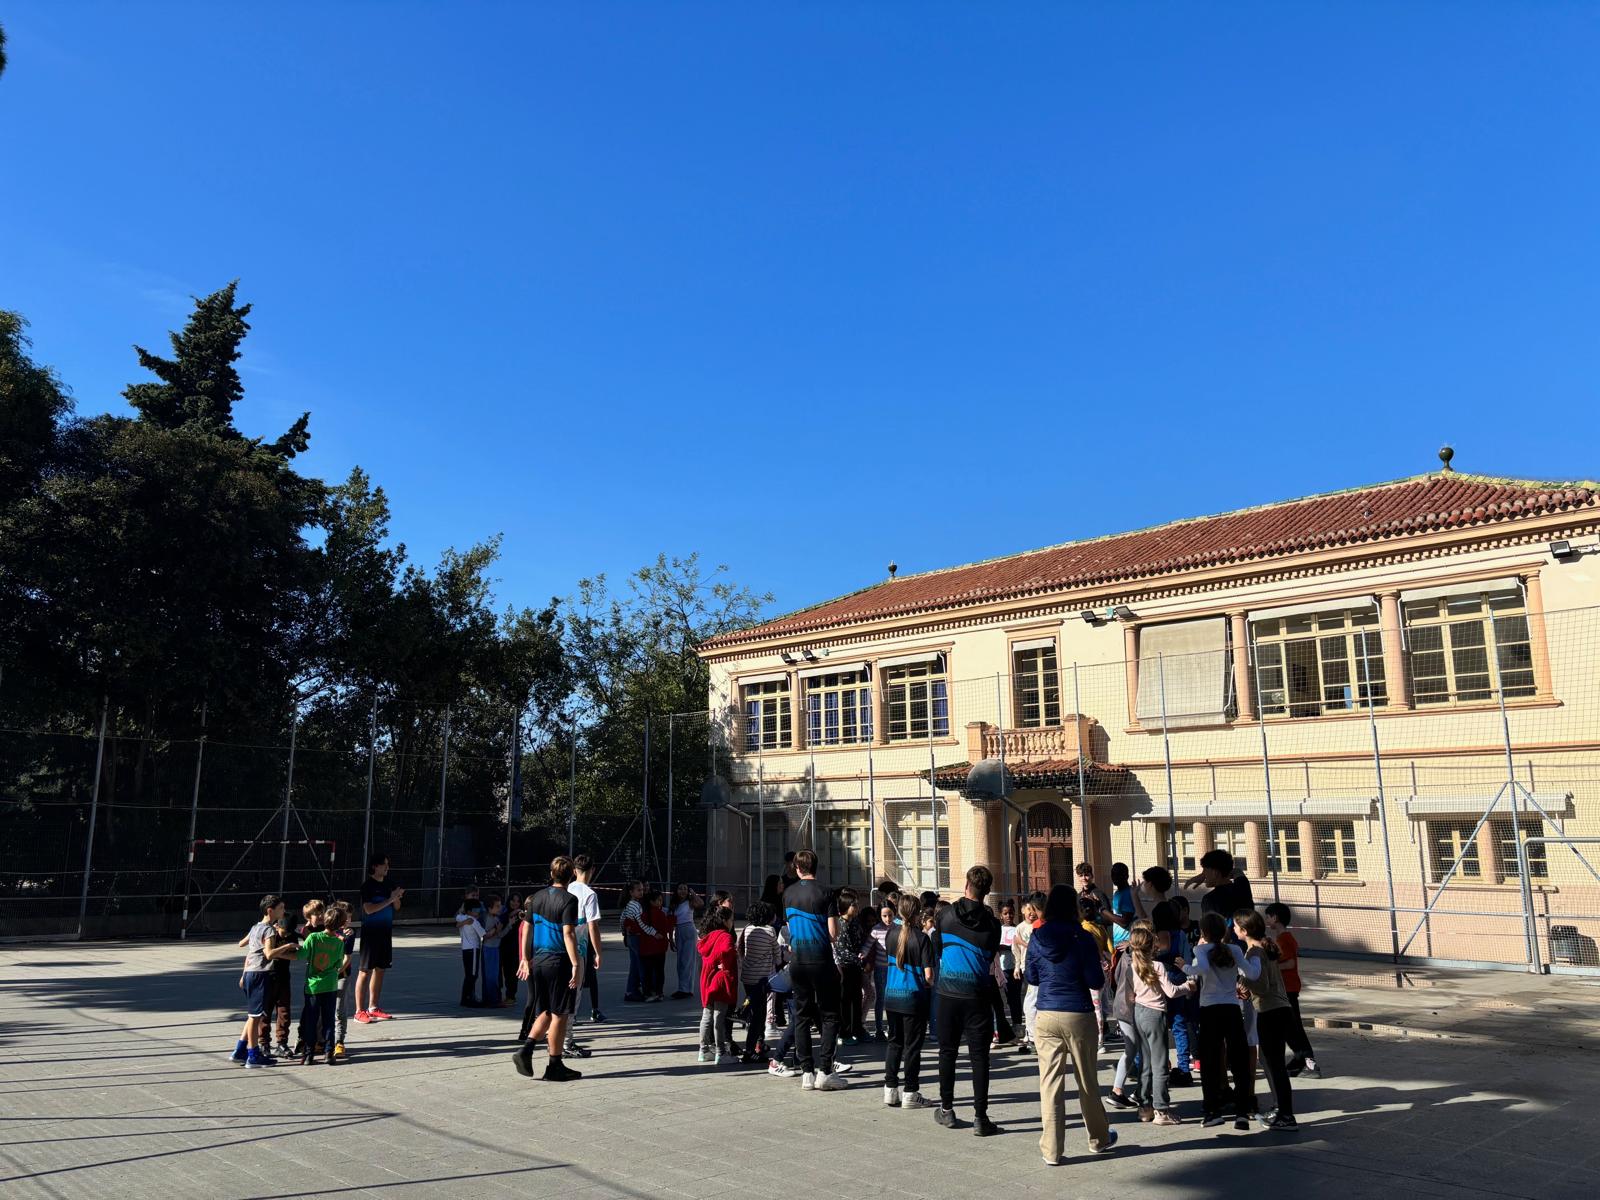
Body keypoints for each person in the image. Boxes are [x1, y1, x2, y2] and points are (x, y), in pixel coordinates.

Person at [1026, 884, 1115, 1163]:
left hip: (1046, 1012)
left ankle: (1052, 1150)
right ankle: (1098, 1138)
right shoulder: (1083, 936)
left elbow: (1031, 976)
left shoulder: (1037, 936)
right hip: (1078, 1011)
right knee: (1087, 1080)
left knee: (1050, 1084)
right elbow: (1095, 981)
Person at [932, 864, 1002, 1136]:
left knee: (947, 1052)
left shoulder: (945, 915)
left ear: (966, 885)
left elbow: (938, 948)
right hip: (977, 994)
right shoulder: (992, 925)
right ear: (987, 891)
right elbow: (989, 956)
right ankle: (980, 1117)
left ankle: (947, 1109)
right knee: (979, 1057)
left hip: (947, 993)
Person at [512, 856, 583, 1083]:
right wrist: (576, 964)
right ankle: (554, 1065)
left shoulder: (537, 897)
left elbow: (527, 928)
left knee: (546, 1011)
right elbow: (568, 933)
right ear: (572, 875)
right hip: (559, 962)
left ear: (551, 873)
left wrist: (525, 958)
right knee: (560, 1014)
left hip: (539, 962)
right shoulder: (569, 899)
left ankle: (526, 1049)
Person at [1186, 910, 1260, 1129]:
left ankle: (1212, 1111)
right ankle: (1242, 1111)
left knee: (1209, 1061)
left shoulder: (1200, 949)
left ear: (1204, 932)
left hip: (1210, 1009)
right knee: (1239, 1060)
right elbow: (1252, 974)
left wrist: (1184, 966)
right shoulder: (1234, 949)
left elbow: (1201, 969)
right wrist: (1257, 959)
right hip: (1231, 1008)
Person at [784, 848, 847, 1091]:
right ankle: (825, 1071)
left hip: (797, 961)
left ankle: (806, 1073)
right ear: (816, 866)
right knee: (830, 1015)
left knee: (801, 1016)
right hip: (821, 961)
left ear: (796, 868)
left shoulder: (788, 893)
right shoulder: (826, 892)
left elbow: (790, 928)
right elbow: (832, 933)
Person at [1126, 922, 1197, 1125]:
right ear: (1152, 946)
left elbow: (1130, 996)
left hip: (1138, 1013)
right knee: (1160, 1064)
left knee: (1145, 1063)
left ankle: (1145, 1107)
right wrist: (1188, 986)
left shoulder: (1132, 967)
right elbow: (1171, 992)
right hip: (1155, 1014)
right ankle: (1161, 1110)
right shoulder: (1157, 966)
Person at [1238, 908, 1298, 1130]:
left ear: (1244, 930)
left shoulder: (1254, 952)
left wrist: (1242, 982)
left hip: (1270, 1011)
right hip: (1280, 1009)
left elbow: (1262, 986)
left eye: (1235, 926)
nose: (1233, 930)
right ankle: (1283, 1111)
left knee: (1274, 1066)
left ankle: (1286, 1116)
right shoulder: (1264, 948)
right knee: (1273, 1063)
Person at [229, 894, 299, 1068]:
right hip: (260, 974)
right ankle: (253, 1056)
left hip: (250, 973)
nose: (283, 911)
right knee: (255, 1017)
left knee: (253, 1015)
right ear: (270, 911)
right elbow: (268, 954)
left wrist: (244, 973)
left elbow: (242, 944)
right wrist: (288, 946)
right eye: (281, 908)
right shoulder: (269, 930)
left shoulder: (255, 927)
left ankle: (239, 1051)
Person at [881, 893, 934, 1110]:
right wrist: (929, 983)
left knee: (894, 1043)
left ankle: (890, 1089)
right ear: (918, 913)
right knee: (912, 1047)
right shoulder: (922, 938)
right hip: (913, 997)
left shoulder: (890, 934)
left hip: (892, 995)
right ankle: (911, 1091)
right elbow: (929, 975)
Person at [1264, 902, 1321, 1078]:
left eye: (1268, 917)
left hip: (1288, 989)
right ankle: (1299, 1059)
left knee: (1293, 1026)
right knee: (1288, 1026)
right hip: (1286, 989)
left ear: (1275, 918)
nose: (1267, 920)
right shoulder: (1283, 938)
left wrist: (1271, 967)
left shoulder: (1284, 939)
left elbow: (1289, 963)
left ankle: (1308, 1060)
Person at [296, 905, 348, 1066]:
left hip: (313, 986)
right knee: (328, 1020)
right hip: (330, 985)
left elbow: (301, 955)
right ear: (341, 924)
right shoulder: (339, 942)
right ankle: (328, 1053)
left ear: (324, 920)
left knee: (311, 1020)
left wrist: (289, 948)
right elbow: (339, 964)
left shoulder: (313, 937)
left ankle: (309, 1054)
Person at [355, 852, 403, 1023]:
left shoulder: (390, 884)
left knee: (380, 970)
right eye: (384, 864)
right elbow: (369, 909)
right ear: (375, 866)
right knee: (365, 971)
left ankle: (373, 1007)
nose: (387, 867)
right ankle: (359, 1011)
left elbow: (397, 907)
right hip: (370, 935)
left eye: (388, 864)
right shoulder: (367, 886)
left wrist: (396, 898)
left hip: (385, 933)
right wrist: (390, 899)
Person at [738, 899, 779, 1063]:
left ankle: (758, 1043)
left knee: (755, 1011)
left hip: (747, 977)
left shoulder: (748, 928)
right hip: (762, 979)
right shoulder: (770, 931)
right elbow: (777, 955)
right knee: (759, 1016)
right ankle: (751, 1049)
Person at [696, 904, 739, 1063]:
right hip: (720, 980)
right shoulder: (725, 936)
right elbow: (726, 951)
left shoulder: (709, 935)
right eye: (731, 920)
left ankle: (703, 1050)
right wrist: (725, 963)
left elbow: (703, 950)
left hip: (707, 978)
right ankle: (721, 1052)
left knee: (707, 1015)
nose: (732, 923)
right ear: (725, 921)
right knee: (719, 1016)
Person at [570, 856, 605, 1024]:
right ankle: (569, 1024)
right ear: (593, 870)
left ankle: (561, 1021)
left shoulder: (567, 888)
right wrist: (598, 952)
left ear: (574, 871)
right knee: (576, 986)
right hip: (579, 947)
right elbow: (593, 926)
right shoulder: (589, 894)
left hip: (561, 943)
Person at [1186, 848, 1255, 931]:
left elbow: (1209, 931)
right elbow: (1238, 871)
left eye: (1205, 870)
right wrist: (1223, 871)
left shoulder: (1209, 899)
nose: (1204, 875)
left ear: (1215, 873)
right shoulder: (1242, 886)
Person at [834, 888, 867, 1043]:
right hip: (844, 967)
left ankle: (857, 1029)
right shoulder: (840, 923)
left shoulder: (854, 922)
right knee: (845, 1001)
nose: (857, 907)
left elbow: (859, 941)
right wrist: (858, 958)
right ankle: (844, 1032)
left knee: (856, 998)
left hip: (856, 965)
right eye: (854, 905)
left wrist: (862, 955)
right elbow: (842, 949)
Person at [635, 890, 674, 1001]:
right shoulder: (660, 914)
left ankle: (648, 992)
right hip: (659, 948)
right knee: (659, 971)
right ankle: (659, 992)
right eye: (659, 900)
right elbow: (665, 928)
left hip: (646, 948)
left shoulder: (643, 914)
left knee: (647, 972)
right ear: (652, 902)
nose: (661, 902)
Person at [671, 882, 704, 1000]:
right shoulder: (674, 904)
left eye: (685, 889)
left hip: (689, 929)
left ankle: (685, 989)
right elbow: (671, 920)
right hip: (678, 930)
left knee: (687, 961)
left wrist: (693, 893)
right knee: (680, 962)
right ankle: (683, 988)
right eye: (680, 888)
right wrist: (670, 938)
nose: (682, 891)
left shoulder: (690, 902)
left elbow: (700, 903)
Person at [870, 901, 894, 1039]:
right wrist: (862, 953)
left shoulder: (898, 928)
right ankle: (879, 1030)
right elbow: (868, 944)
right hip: (880, 969)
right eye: (884, 916)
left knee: (892, 999)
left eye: (890, 915)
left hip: (894, 969)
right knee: (880, 999)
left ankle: (892, 1028)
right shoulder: (876, 929)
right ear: (879, 915)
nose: (887, 918)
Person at [619, 879, 646, 1002]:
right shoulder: (633, 905)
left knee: (635, 964)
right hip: (635, 937)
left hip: (632, 936)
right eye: (638, 890)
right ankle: (634, 990)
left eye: (642, 890)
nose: (641, 892)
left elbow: (622, 920)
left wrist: (624, 933)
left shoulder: (632, 904)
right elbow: (624, 920)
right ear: (631, 892)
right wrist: (625, 933)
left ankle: (632, 990)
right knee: (639, 965)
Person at [457, 893, 485, 1007]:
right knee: (473, 975)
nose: (478, 912)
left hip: (465, 949)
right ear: (469, 911)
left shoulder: (462, 917)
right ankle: (467, 998)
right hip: (473, 949)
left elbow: (458, 918)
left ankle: (467, 997)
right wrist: (496, 930)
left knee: (468, 974)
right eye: (476, 910)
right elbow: (484, 934)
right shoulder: (474, 921)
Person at [480, 895, 508, 1008]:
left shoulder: (495, 918)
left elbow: (499, 935)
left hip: (494, 948)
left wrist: (509, 925)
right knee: (491, 975)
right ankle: (492, 1000)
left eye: (500, 905)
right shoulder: (489, 919)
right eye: (497, 906)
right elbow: (487, 936)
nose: (500, 908)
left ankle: (491, 999)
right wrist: (497, 929)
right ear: (489, 908)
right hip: (489, 949)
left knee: (493, 975)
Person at [1104, 862, 1136, 950]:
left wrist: (1103, 911)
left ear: (1127, 876)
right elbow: (1115, 917)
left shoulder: (1128, 893)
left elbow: (1125, 922)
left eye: (1119, 874)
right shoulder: (1117, 893)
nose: (1115, 877)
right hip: (1118, 943)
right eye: (1113, 874)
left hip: (1126, 944)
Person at [501, 892, 525, 1006]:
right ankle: (507, 995)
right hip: (504, 947)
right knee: (506, 972)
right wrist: (511, 914)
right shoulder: (504, 913)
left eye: (518, 901)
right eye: (513, 900)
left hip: (516, 948)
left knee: (513, 973)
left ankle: (511, 996)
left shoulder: (522, 914)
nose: (515, 903)